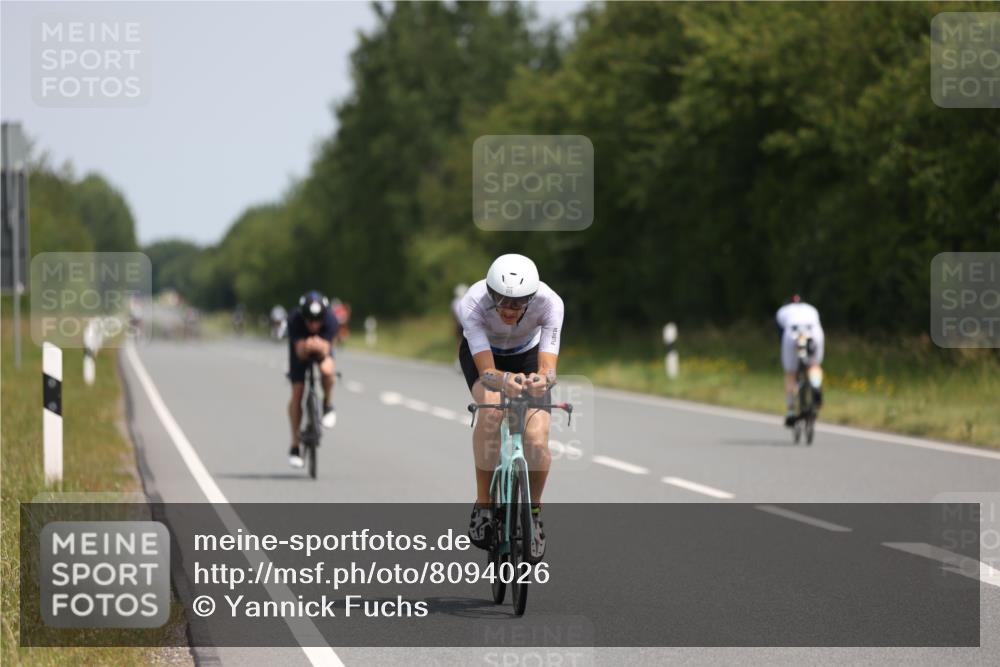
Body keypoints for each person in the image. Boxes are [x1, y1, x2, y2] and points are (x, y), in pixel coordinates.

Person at [457, 254, 563, 563]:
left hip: (527, 354)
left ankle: (534, 514)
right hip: (485, 357)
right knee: (491, 409)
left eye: (518, 304)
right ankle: (483, 505)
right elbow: (487, 372)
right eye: (501, 300)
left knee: (537, 439)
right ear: (490, 293)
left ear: (531, 298)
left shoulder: (550, 303)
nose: (508, 309)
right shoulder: (473, 301)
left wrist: (543, 381)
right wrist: (504, 382)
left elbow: (548, 369)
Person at [286, 290, 339, 468]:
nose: (314, 324)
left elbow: (327, 349)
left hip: (322, 348)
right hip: (299, 351)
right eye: (310, 320)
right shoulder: (294, 319)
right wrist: (307, 346)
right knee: (298, 391)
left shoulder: (331, 320)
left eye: (318, 320)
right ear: (303, 317)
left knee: (327, 370)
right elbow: (300, 352)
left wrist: (320, 347)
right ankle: (295, 445)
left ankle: (328, 405)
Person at [775, 294, 824, 427]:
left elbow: (780, 335)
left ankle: (791, 412)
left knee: (790, 373)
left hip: (792, 332)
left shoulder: (782, 311)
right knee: (814, 364)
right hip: (813, 331)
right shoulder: (811, 308)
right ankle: (815, 385)